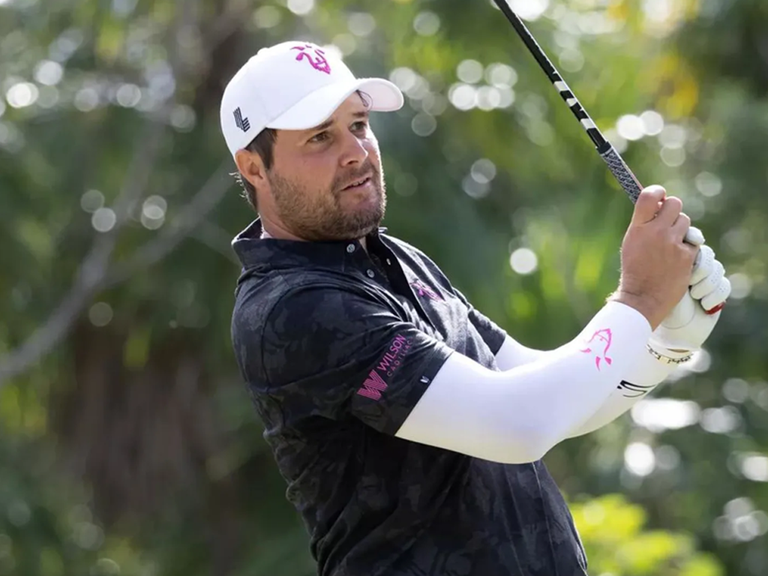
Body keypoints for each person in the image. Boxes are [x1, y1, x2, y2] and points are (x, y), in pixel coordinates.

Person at [221, 41, 731, 576]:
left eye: (360, 124)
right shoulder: (292, 307)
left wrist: (663, 345)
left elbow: (546, 390)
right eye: (321, 136)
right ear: (254, 167)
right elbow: (517, 424)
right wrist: (640, 299)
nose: (355, 151)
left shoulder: (395, 259)